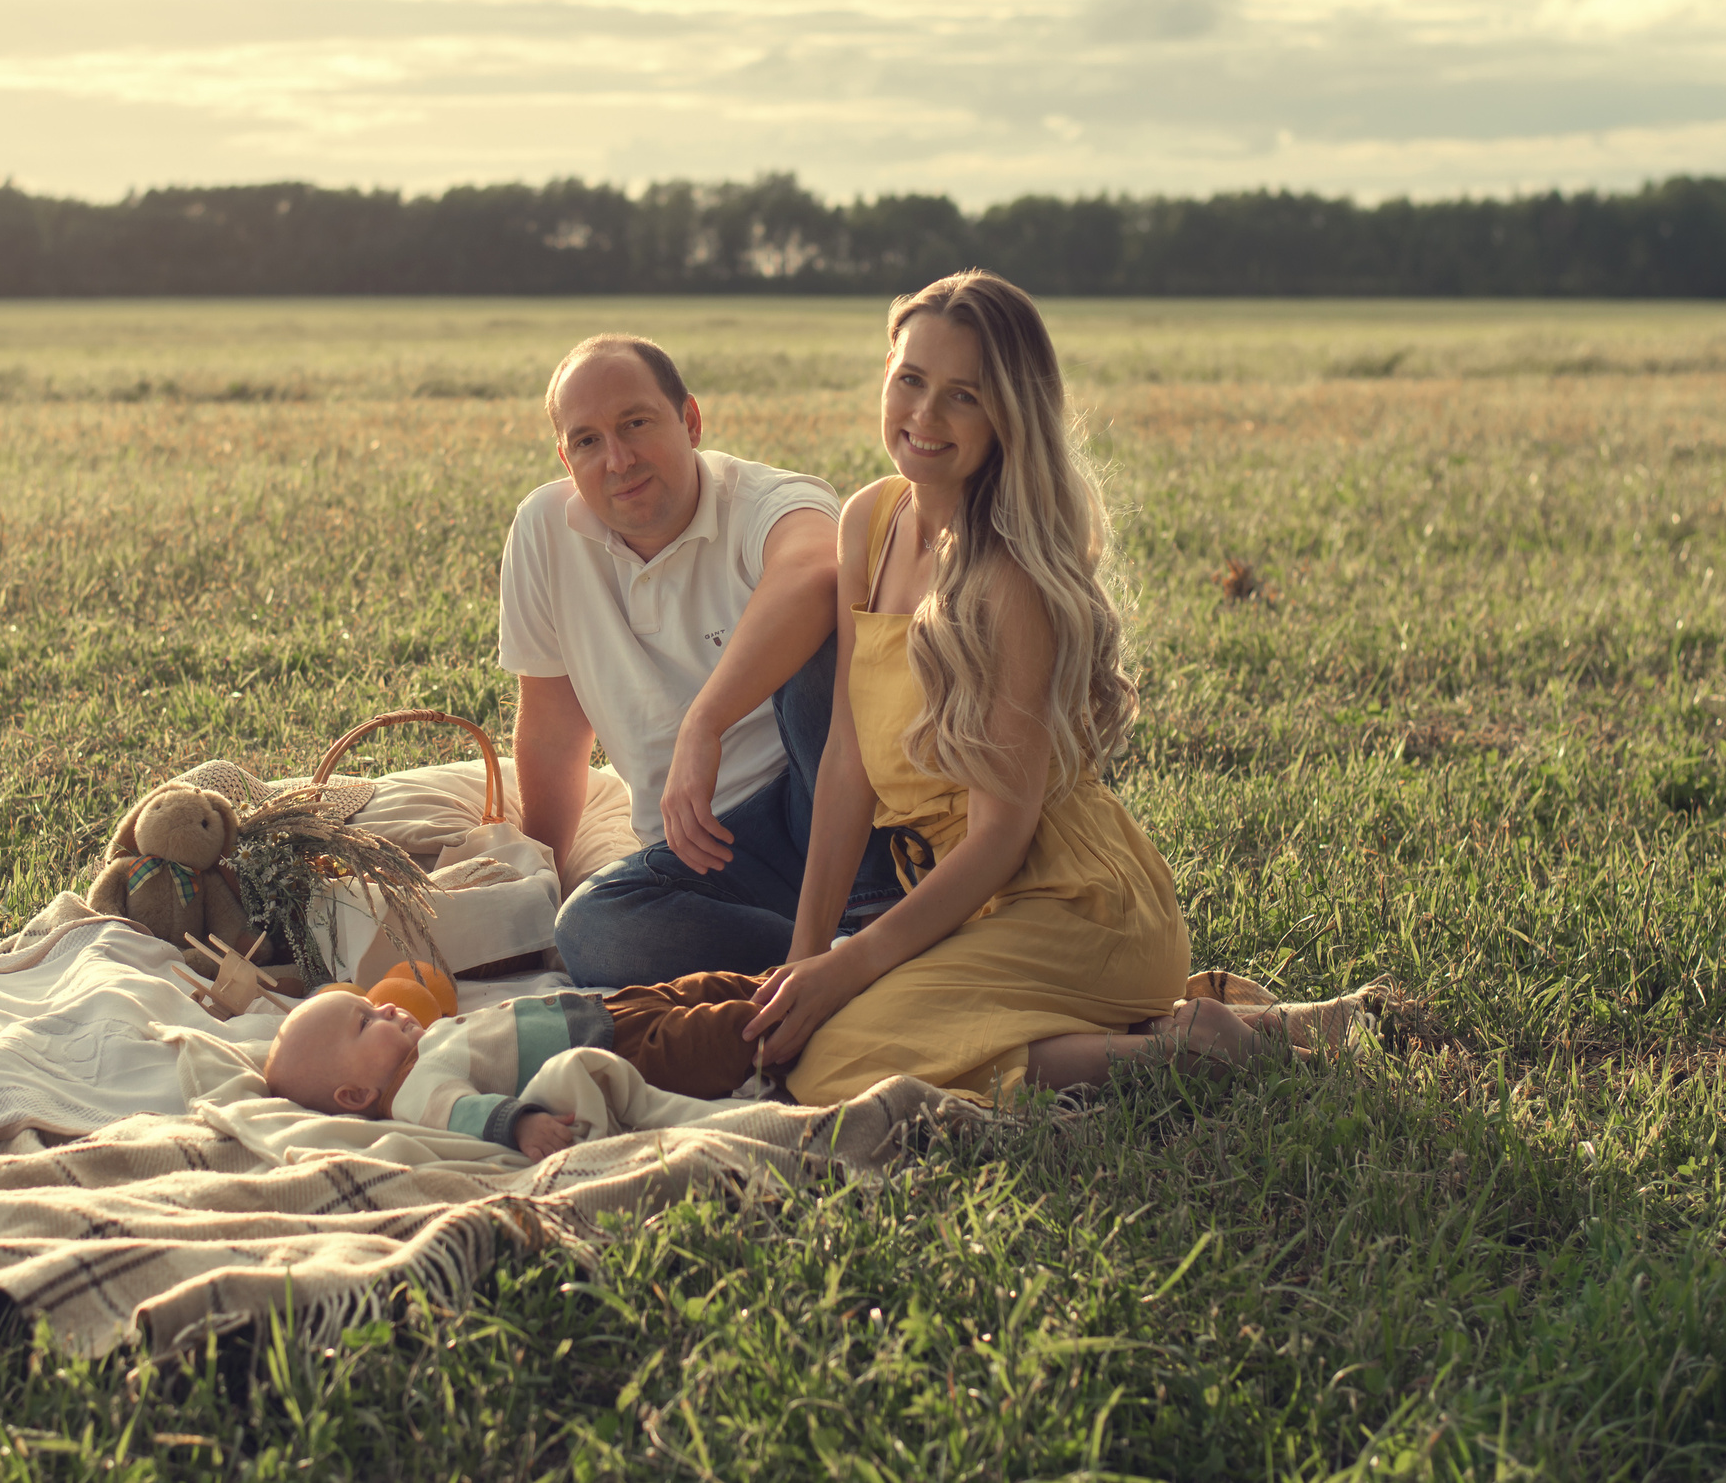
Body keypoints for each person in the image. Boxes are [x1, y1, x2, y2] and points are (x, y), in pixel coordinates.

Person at [739, 269, 1346, 1104]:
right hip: (968, 907)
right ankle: (1183, 1030)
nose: (925, 414)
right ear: (885, 371)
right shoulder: (868, 523)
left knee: (834, 1061)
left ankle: (1191, 1048)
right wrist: (806, 959)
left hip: (1078, 907)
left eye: (963, 396)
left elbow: (999, 837)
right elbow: (845, 760)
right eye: (911, 379)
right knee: (809, 1028)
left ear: (1009, 415)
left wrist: (849, 969)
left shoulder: (1009, 579)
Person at [498, 334, 907, 988]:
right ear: (565, 458)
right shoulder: (545, 531)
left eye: (636, 423)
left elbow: (816, 571)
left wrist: (704, 722)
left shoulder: (770, 500)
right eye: (588, 441)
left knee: (828, 626)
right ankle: (846, 961)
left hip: (826, 802)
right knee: (590, 929)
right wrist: (535, 889)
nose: (618, 460)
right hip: (705, 855)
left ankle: (869, 910)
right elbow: (551, 730)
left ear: (690, 421)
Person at [260, 973, 782, 1158]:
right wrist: (521, 1123)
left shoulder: (424, 1048)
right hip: (623, 1053)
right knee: (715, 1036)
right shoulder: (414, 1092)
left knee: (706, 987)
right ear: (355, 1095)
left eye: (373, 1005)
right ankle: (796, 1021)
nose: (388, 1007)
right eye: (366, 1022)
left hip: (603, 1013)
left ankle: (789, 980)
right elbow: (464, 1113)